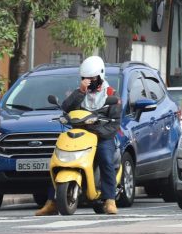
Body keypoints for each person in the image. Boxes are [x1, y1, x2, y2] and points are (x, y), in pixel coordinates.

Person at [36, 55, 122, 216]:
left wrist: (96, 130)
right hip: (79, 134)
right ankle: (52, 202)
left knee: (105, 158)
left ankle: (110, 199)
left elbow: (115, 124)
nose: (88, 81)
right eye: (85, 78)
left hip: (102, 136)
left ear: (100, 76)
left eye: (92, 78)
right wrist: (80, 92)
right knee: (59, 158)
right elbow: (66, 108)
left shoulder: (112, 94)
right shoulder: (78, 92)